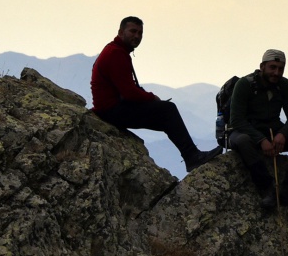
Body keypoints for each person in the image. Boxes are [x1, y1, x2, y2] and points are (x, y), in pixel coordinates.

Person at [91, 17, 221, 172]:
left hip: (112, 108)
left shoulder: (117, 51)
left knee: (166, 116)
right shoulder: (116, 53)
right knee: (168, 110)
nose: (137, 36)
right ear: (120, 32)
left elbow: (127, 89)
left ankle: (192, 156)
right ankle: (192, 156)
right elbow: (129, 92)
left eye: (140, 33)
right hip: (111, 111)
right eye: (133, 31)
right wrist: (152, 98)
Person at [217, 48, 288, 209]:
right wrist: (261, 140)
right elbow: (237, 120)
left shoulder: (284, 86)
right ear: (262, 66)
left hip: (274, 132)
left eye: (280, 68)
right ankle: (267, 189)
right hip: (243, 132)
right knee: (243, 140)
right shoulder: (244, 85)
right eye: (272, 67)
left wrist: (283, 134)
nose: (276, 73)